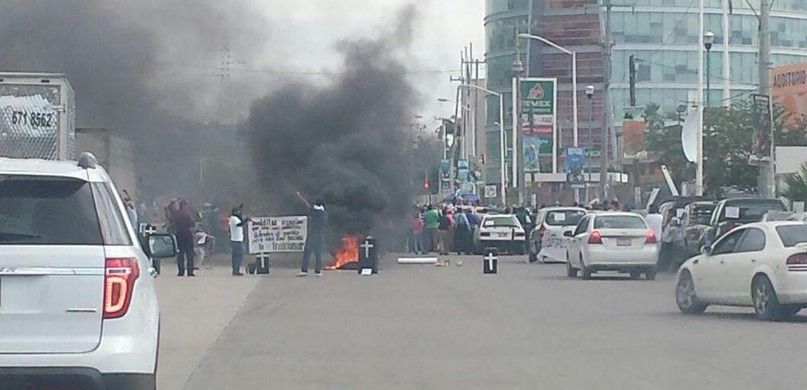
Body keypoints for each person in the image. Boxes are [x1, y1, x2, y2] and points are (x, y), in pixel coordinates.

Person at [297, 192, 327, 277]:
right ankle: (318, 271)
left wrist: (300, 196)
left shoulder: (313, 211)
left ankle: (304, 270)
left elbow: (306, 204)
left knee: (307, 252)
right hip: (320, 236)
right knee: (318, 254)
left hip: (312, 234)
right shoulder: (324, 214)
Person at [172, 199, 196, 277]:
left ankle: (181, 271)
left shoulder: (177, 213)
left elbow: (173, 221)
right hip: (187, 233)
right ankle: (190, 271)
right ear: (185, 205)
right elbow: (192, 222)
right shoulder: (187, 213)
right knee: (190, 253)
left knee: (180, 253)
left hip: (179, 233)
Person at [228, 206, 247, 276]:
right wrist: (246, 220)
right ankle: (236, 269)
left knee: (235, 256)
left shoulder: (232, 218)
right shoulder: (234, 218)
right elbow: (239, 224)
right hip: (237, 240)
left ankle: (235, 269)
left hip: (235, 239)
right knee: (239, 255)